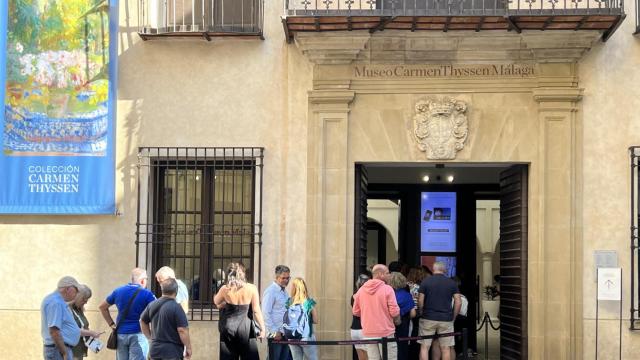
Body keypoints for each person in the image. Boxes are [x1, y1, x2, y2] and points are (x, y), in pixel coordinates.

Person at [99, 268, 156, 360]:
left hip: (121, 333)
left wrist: (112, 325)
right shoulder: (147, 294)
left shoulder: (118, 291)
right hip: (139, 334)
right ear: (142, 280)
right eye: (146, 279)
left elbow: (102, 307)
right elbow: (157, 312)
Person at [214, 262, 266, 360]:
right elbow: (256, 310)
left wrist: (224, 304)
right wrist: (263, 329)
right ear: (243, 274)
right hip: (246, 327)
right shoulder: (252, 288)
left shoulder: (225, 289)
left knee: (228, 357)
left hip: (228, 327)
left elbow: (216, 301)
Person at [352, 264, 401, 360]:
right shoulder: (388, 289)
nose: (389, 275)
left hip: (368, 333)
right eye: (387, 273)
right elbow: (394, 312)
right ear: (380, 274)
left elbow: (355, 312)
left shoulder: (361, 290)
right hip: (386, 332)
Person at [417, 261, 461, 360]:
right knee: (445, 349)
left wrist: (421, 311)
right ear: (444, 270)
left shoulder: (426, 281)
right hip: (446, 319)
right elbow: (458, 302)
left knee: (424, 347)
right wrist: (453, 317)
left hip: (428, 317)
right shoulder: (452, 283)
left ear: (433, 269)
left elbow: (420, 300)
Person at [140, 278, 192, 360]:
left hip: (155, 350)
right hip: (172, 351)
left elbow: (142, 321)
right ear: (176, 291)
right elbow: (182, 330)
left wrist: (150, 338)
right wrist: (188, 347)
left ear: (162, 290)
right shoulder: (177, 308)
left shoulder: (152, 305)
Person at [41, 276, 81, 360]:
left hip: (58, 349)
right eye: (76, 291)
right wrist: (64, 352)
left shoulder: (56, 300)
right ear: (68, 289)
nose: (77, 294)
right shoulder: (56, 302)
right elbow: (54, 331)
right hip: (57, 350)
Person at [262, 265, 292, 360]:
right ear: (277, 277)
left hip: (285, 333)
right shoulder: (271, 291)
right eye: (283, 278)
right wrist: (274, 332)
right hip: (275, 335)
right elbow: (266, 313)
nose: (286, 280)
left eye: (288, 278)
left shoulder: (285, 292)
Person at [285, 277, 318, 360]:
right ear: (304, 288)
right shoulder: (309, 302)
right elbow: (315, 320)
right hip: (306, 336)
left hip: (292, 337)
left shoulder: (289, 302)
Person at [69, 285, 103, 359]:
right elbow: (73, 331)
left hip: (79, 349)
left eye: (87, 299)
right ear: (78, 297)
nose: (86, 302)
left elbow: (82, 326)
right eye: (84, 299)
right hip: (71, 350)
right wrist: (91, 333)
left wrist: (91, 333)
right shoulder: (68, 310)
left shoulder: (78, 309)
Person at [389, 272, 416, 360]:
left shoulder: (388, 294)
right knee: (402, 349)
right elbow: (413, 314)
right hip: (403, 326)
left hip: (389, 325)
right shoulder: (407, 295)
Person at [351, 273, 370, 360]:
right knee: (368, 356)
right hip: (364, 329)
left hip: (354, 329)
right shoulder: (367, 297)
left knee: (360, 357)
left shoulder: (353, 296)